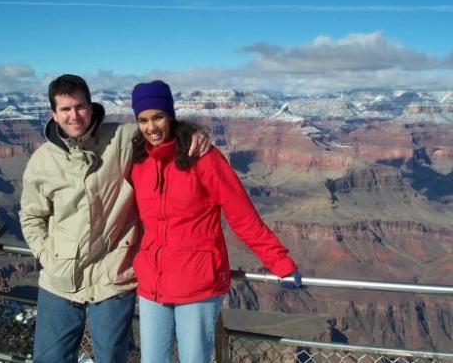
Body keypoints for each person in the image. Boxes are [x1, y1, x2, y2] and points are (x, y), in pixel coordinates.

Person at [19, 74, 209, 363]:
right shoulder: (42, 161)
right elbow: (32, 216)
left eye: (80, 107)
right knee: (50, 358)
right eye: (66, 109)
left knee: (111, 358)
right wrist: (47, 255)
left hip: (113, 276)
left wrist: (190, 132)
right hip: (60, 278)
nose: (74, 115)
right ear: (54, 114)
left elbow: (157, 127)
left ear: (91, 106)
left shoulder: (121, 138)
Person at [129, 80, 302, 363]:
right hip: (152, 282)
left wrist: (280, 263)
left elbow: (243, 217)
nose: (152, 127)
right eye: (143, 120)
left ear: (170, 115)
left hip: (196, 282)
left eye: (158, 117)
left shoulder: (203, 157)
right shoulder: (137, 161)